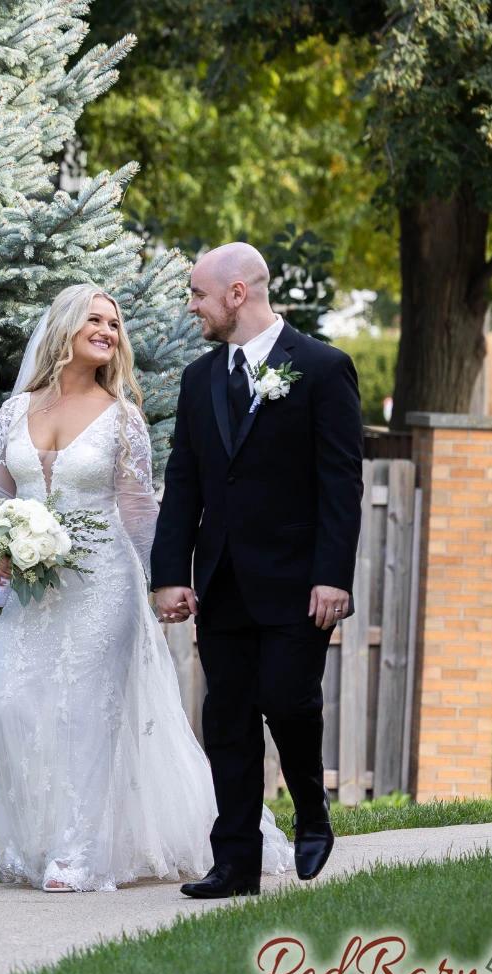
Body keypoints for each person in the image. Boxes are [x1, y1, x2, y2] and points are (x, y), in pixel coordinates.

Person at [0, 282, 292, 893]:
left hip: (101, 584)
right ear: (63, 328)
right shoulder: (16, 411)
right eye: (95, 320)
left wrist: (163, 583)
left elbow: (141, 511)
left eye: (113, 324)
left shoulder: (122, 418)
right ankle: (35, 841)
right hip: (32, 591)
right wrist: (3, 548)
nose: (108, 332)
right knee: (16, 705)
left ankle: (78, 852)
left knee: (89, 713)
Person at [152, 242, 364, 900]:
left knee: (287, 700)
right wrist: (169, 571)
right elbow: (184, 484)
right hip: (222, 582)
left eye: (197, 294)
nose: (192, 306)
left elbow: (340, 483)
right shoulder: (198, 380)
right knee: (228, 720)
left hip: (299, 582)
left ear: (237, 294)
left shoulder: (324, 370)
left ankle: (312, 812)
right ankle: (236, 862)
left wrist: (333, 575)